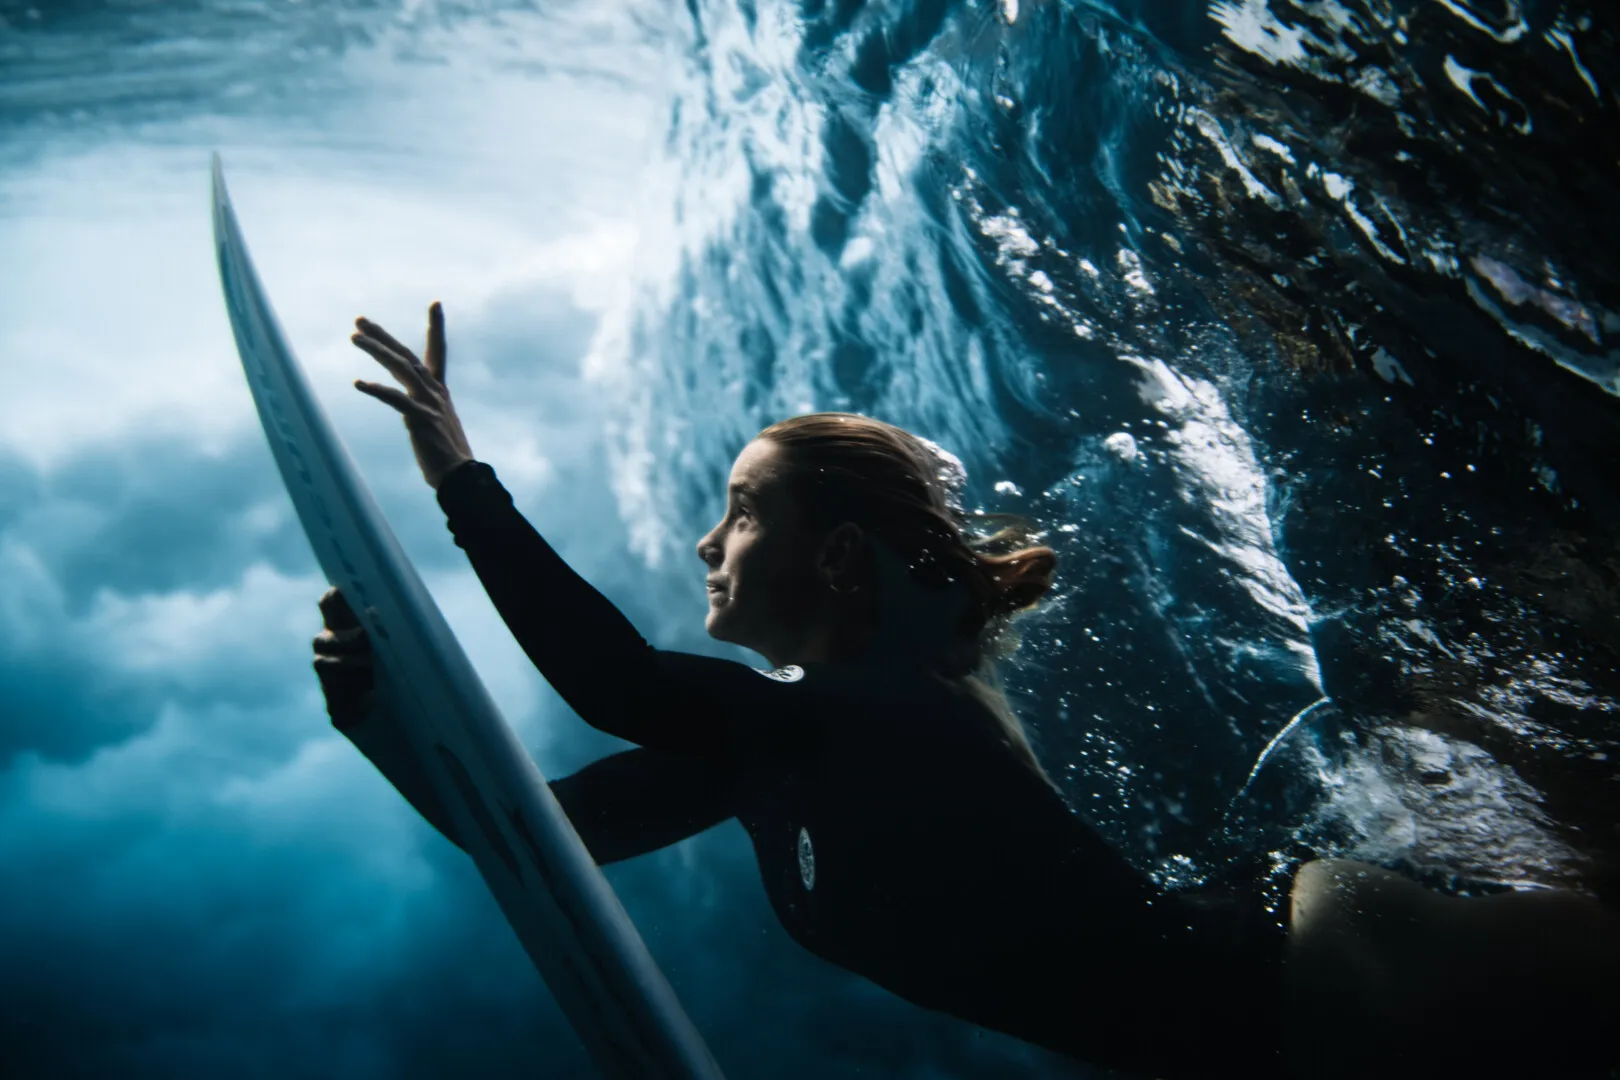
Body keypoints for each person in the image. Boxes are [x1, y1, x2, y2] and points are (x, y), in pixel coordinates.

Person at [314, 304, 1620, 1079]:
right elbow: (544, 836)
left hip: (1342, 979)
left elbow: (606, 683)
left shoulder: (866, 713)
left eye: (740, 509)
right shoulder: (770, 757)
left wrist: (458, 481)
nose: (707, 544)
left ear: (835, 556)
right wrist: (381, 724)